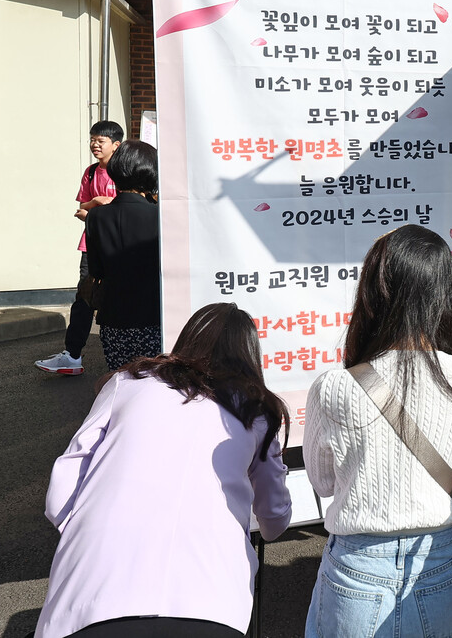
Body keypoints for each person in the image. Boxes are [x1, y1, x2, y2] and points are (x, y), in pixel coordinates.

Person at [35, 303, 292, 638]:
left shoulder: (128, 381)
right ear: (249, 356)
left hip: (93, 593)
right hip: (211, 601)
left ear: (187, 340)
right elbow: (273, 519)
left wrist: (86, 528)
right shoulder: (256, 410)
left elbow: (63, 486)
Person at [304, 225, 452, 638]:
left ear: (374, 294)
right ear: (446, 293)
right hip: (443, 559)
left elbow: (322, 482)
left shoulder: (335, 387)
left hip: (358, 569)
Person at [35, 121, 123, 376]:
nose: (95, 145)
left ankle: (123, 360)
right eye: (92, 140)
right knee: (84, 299)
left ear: (116, 145)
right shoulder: (91, 172)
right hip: (91, 245)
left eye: (101, 141)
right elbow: (82, 206)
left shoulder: (126, 171)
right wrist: (97, 202)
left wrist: (97, 210)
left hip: (120, 246)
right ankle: (72, 356)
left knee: (118, 299)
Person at [85, 140, 162, 371]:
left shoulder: (96, 217)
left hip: (114, 316)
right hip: (154, 314)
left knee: (120, 378)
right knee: (154, 381)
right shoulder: (161, 216)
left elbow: (95, 270)